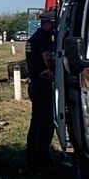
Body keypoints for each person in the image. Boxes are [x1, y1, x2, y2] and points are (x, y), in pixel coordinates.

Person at [25, 10, 56, 170]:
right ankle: (40, 159)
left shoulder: (34, 39)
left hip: (35, 85)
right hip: (42, 87)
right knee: (44, 124)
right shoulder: (43, 40)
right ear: (48, 23)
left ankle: (35, 157)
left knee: (37, 122)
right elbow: (49, 60)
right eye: (53, 23)